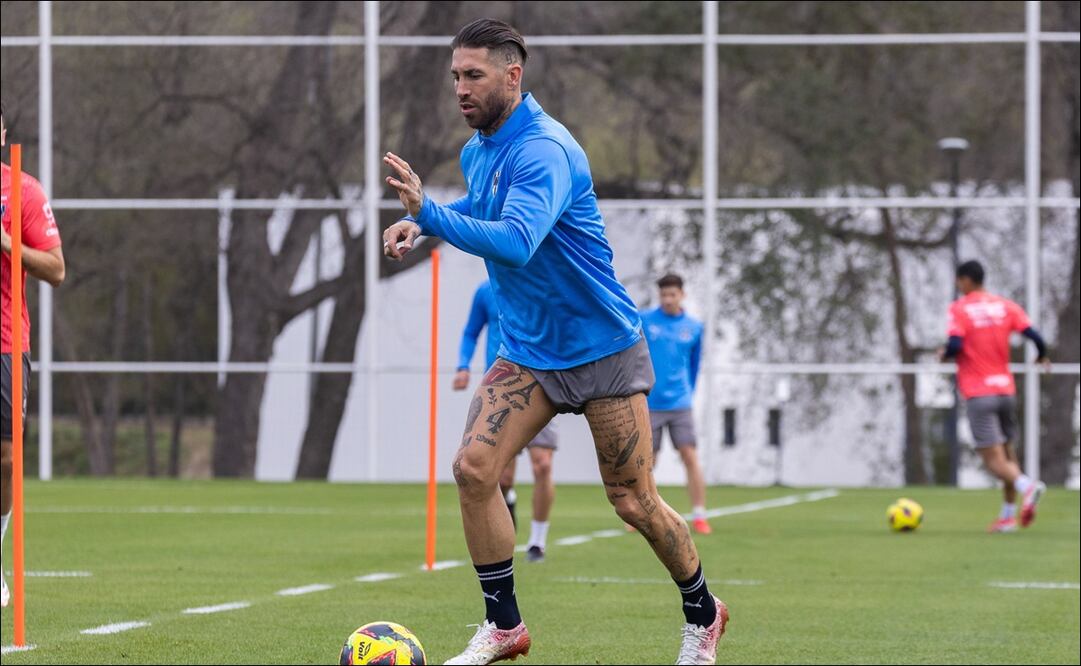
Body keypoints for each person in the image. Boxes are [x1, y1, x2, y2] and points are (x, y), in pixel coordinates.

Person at [382, 18, 727, 665]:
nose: (460, 88)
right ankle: (504, 626)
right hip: (528, 353)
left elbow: (515, 240)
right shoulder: (476, 151)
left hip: (601, 349)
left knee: (633, 502)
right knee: (473, 470)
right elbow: (484, 222)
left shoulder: (545, 148)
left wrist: (430, 214)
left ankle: (703, 613)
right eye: (455, 75)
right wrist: (418, 223)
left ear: (513, 75)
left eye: (474, 75)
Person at [0, 102, 66, 608]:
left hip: (5, 341)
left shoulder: (22, 189)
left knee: (5, 458)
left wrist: (6, 244)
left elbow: (56, 268)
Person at [940, 260, 1049, 534]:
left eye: (958, 280)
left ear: (965, 280)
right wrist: (1042, 354)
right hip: (1005, 391)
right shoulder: (1005, 306)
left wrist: (945, 355)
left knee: (994, 461)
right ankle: (1008, 516)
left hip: (980, 394)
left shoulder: (960, 308)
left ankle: (1029, 487)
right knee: (1008, 457)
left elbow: (955, 344)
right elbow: (1035, 336)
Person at [454, 279, 558, 563]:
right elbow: (471, 332)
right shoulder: (485, 291)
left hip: (542, 384)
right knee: (502, 478)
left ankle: (537, 542)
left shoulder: (542, 282)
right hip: (500, 392)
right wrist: (463, 365)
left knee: (543, 465)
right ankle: (508, 502)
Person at [641, 274, 710, 535]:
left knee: (690, 457)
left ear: (682, 295)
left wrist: (688, 394)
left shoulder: (694, 327)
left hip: (680, 404)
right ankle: (643, 512)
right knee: (647, 461)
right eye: (664, 295)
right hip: (650, 403)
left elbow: (694, 366)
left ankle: (700, 514)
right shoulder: (645, 320)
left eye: (672, 294)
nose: (668, 299)